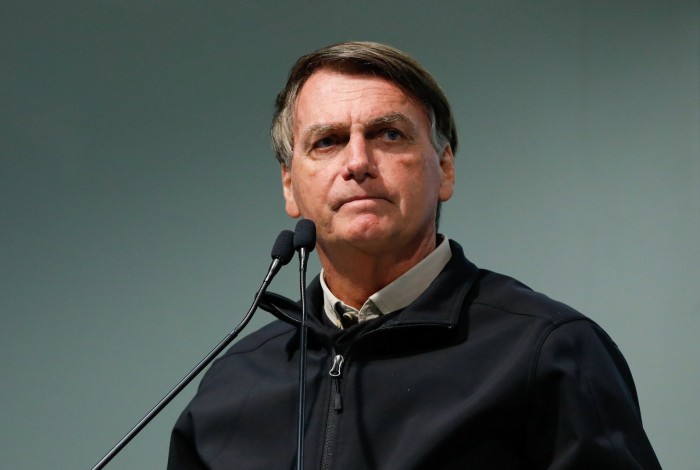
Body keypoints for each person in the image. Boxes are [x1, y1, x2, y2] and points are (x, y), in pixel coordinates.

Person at [168, 41, 660, 469]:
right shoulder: (231, 387)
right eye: (328, 141)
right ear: (289, 185)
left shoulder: (548, 352)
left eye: (389, 135)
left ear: (444, 169)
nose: (357, 163)